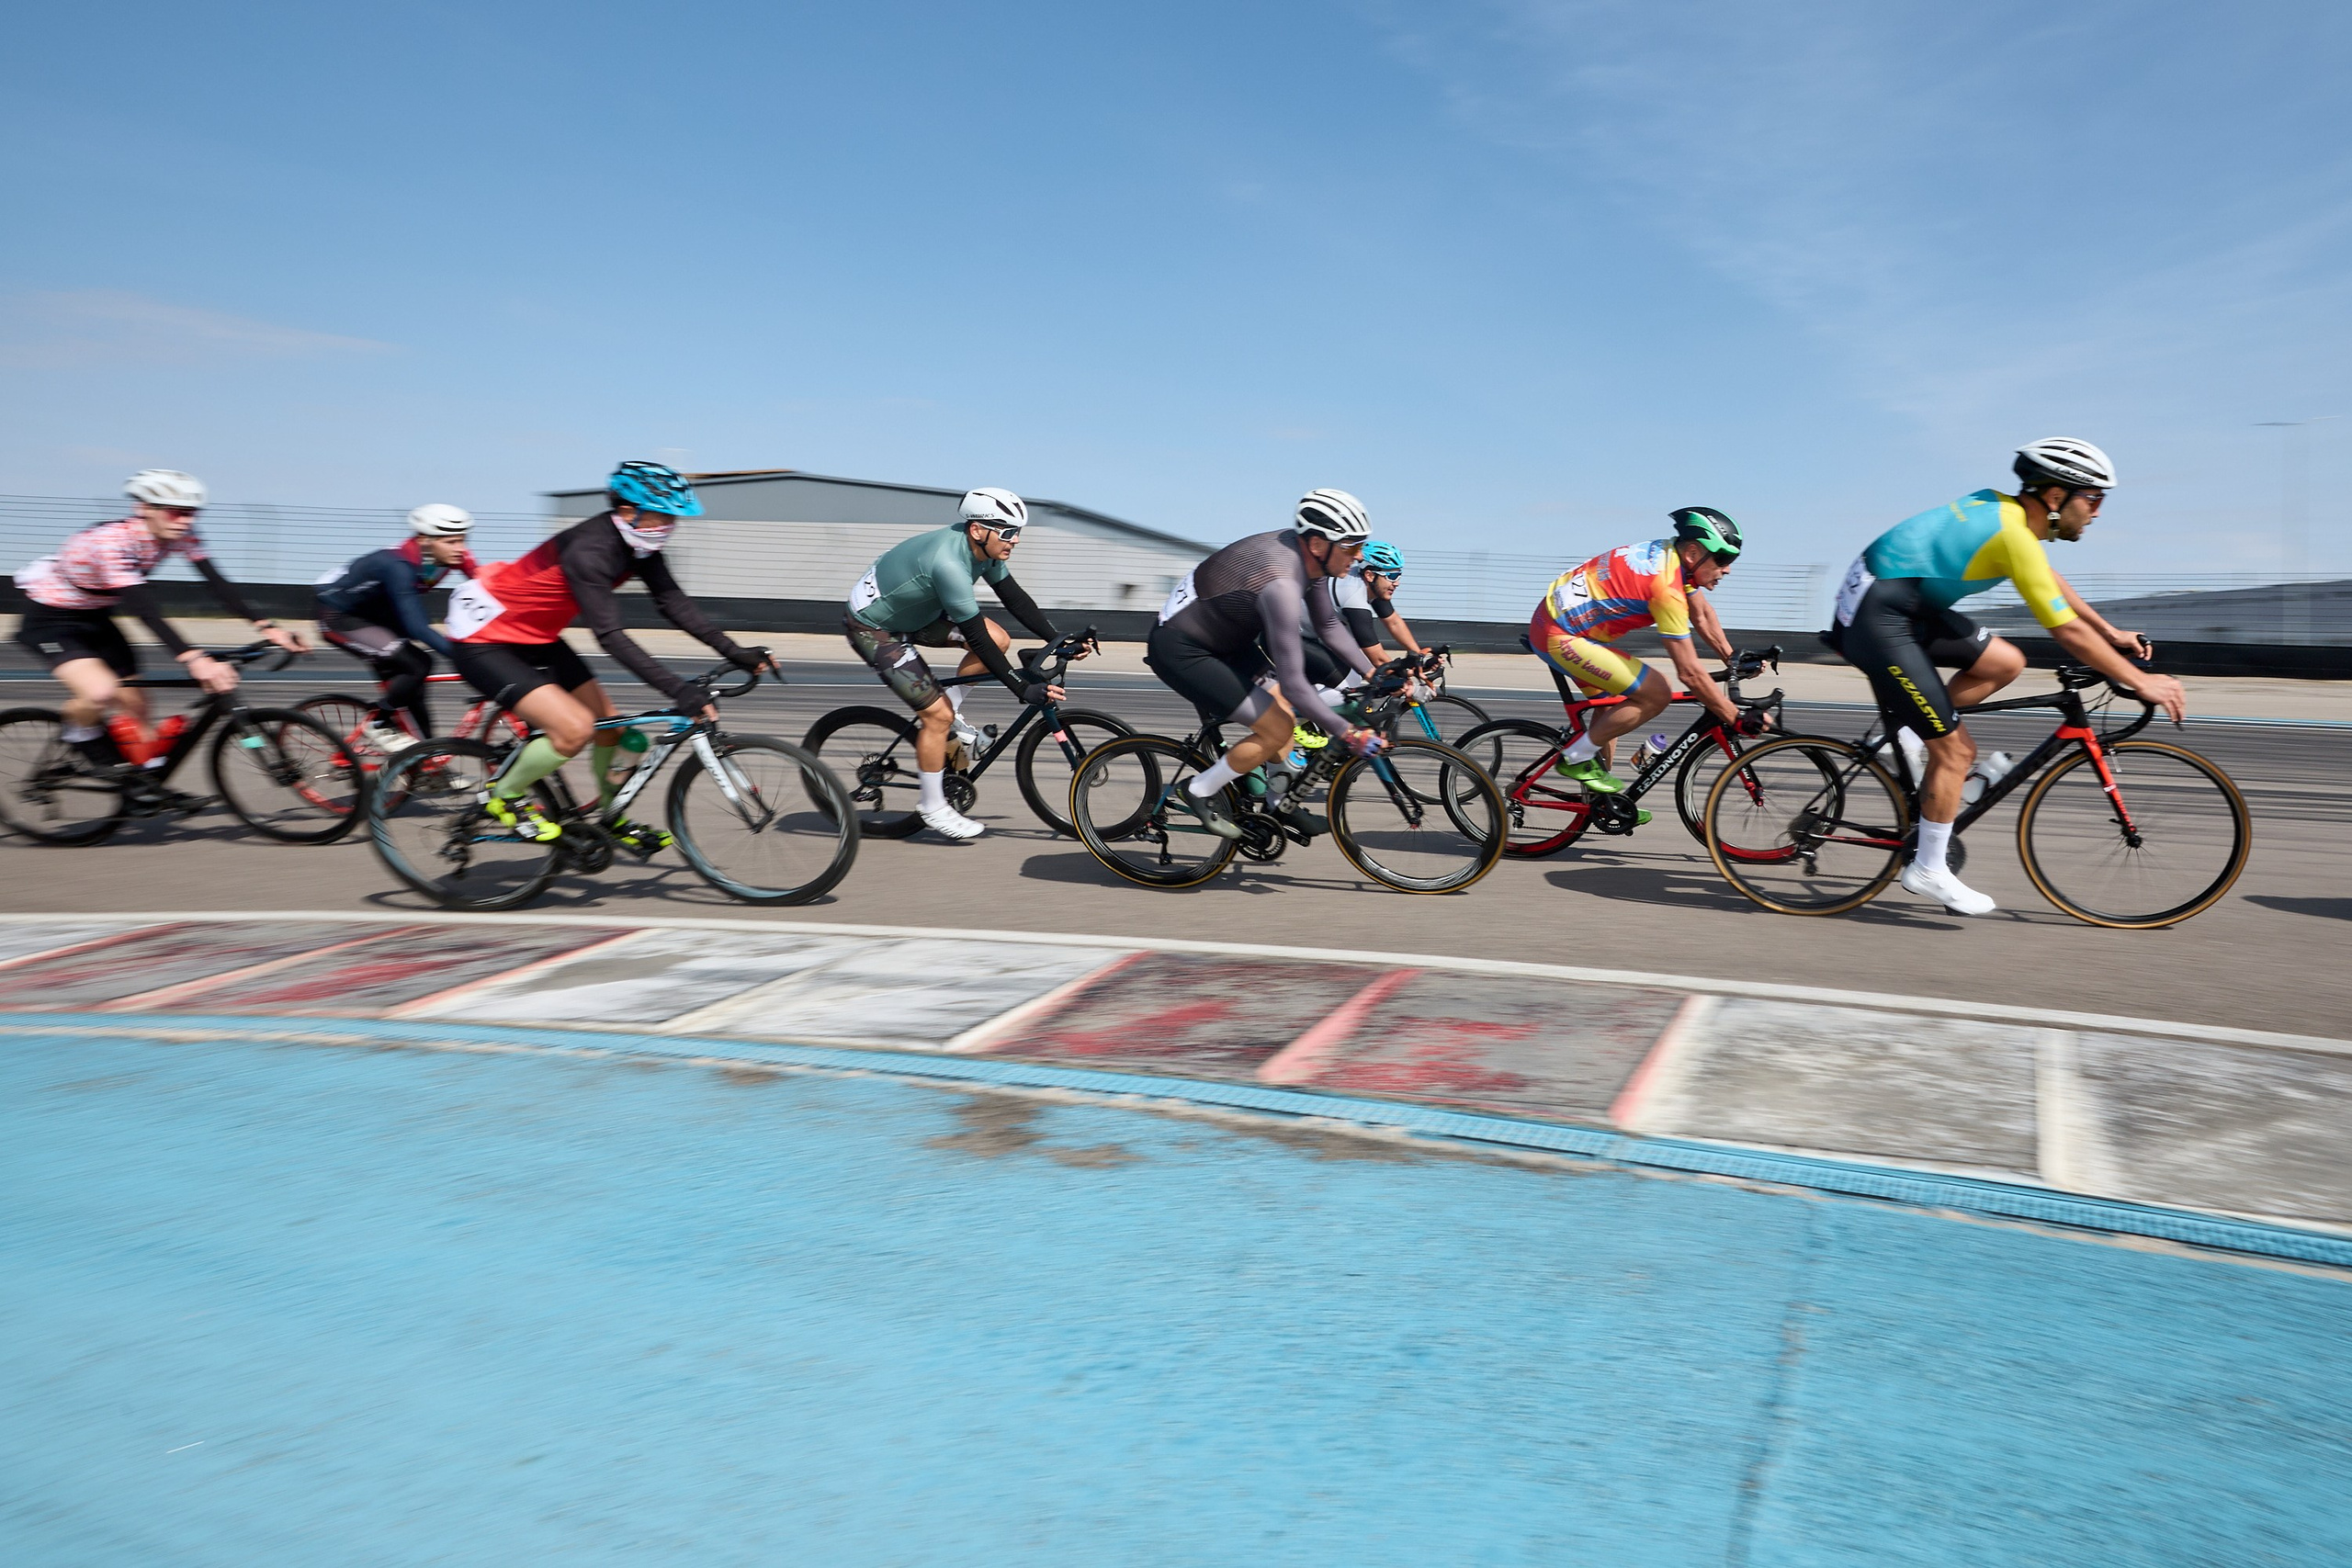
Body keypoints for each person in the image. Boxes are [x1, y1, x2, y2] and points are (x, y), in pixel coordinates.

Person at [1825, 437, 2185, 917]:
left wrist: (2110, 631)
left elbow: (2048, 579)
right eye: (2093, 498)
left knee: (2005, 662)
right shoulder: (2011, 534)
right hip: (1879, 617)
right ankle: (1928, 869)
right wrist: (2141, 681)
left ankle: (1908, 739)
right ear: (2055, 497)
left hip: (1901, 603)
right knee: (1957, 752)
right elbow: (2065, 631)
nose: (2097, 512)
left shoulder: (2008, 515)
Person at [445, 460, 769, 847]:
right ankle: (504, 795)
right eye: (663, 516)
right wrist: (678, 690)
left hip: (535, 636)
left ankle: (610, 818)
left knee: (613, 732)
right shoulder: (590, 550)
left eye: (673, 518)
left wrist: (736, 652)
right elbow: (611, 637)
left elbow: (674, 604)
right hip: (484, 641)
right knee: (574, 730)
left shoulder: (639, 546)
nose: (670, 526)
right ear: (629, 511)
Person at [13, 469, 306, 804]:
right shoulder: (110, 543)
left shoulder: (181, 533)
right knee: (100, 692)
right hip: (51, 620)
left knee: (136, 704)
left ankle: (145, 783)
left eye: (191, 513)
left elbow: (217, 585)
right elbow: (146, 611)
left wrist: (267, 626)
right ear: (144, 508)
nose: (185, 521)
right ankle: (80, 735)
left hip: (96, 617)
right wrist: (195, 659)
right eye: (175, 512)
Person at [1147, 488, 1386, 840]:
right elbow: (1295, 684)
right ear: (1318, 544)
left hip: (1228, 640)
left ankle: (1277, 804)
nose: (1360, 555)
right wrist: (1347, 733)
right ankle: (1197, 790)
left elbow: (1328, 625)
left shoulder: (1312, 558)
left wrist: (1373, 673)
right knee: (1278, 727)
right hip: (1183, 649)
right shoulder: (1282, 585)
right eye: (1352, 547)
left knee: (1284, 713)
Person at [842, 487, 1069, 841]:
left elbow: (1014, 598)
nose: (1016, 540)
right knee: (937, 716)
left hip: (917, 614)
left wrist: (1058, 639)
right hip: (875, 629)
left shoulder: (985, 549)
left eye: (1018, 532)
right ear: (978, 530)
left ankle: (954, 717)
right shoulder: (949, 564)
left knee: (999, 639)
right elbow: (976, 638)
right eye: (1009, 532)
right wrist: (1022, 688)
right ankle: (932, 806)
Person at [1528, 508, 1752, 804]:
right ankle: (1575, 758)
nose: (1728, 569)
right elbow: (1689, 673)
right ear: (1693, 553)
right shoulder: (1666, 589)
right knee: (1656, 692)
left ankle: (1602, 803)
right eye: (1722, 559)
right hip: (1560, 635)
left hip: (1559, 624)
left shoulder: (1674, 557)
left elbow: (1701, 614)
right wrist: (1734, 717)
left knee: (1613, 709)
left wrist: (1732, 658)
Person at [314, 504, 481, 752]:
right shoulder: (398, 565)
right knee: (419, 663)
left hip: (380, 614)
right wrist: (464, 656)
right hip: (340, 617)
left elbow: (488, 591)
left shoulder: (455, 556)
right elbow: (417, 627)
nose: (461, 549)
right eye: (451, 542)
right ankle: (379, 722)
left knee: (414, 692)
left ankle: (426, 761)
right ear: (424, 540)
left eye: (463, 540)